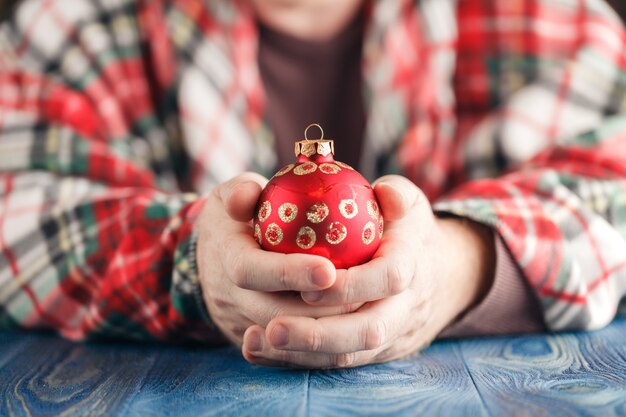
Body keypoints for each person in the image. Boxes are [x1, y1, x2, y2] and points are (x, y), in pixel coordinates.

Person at [0, 0, 625, 369]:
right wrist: (195, 262)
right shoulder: (77, 23)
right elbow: (18, 210)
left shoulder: (544, 16)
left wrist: (462, 264)